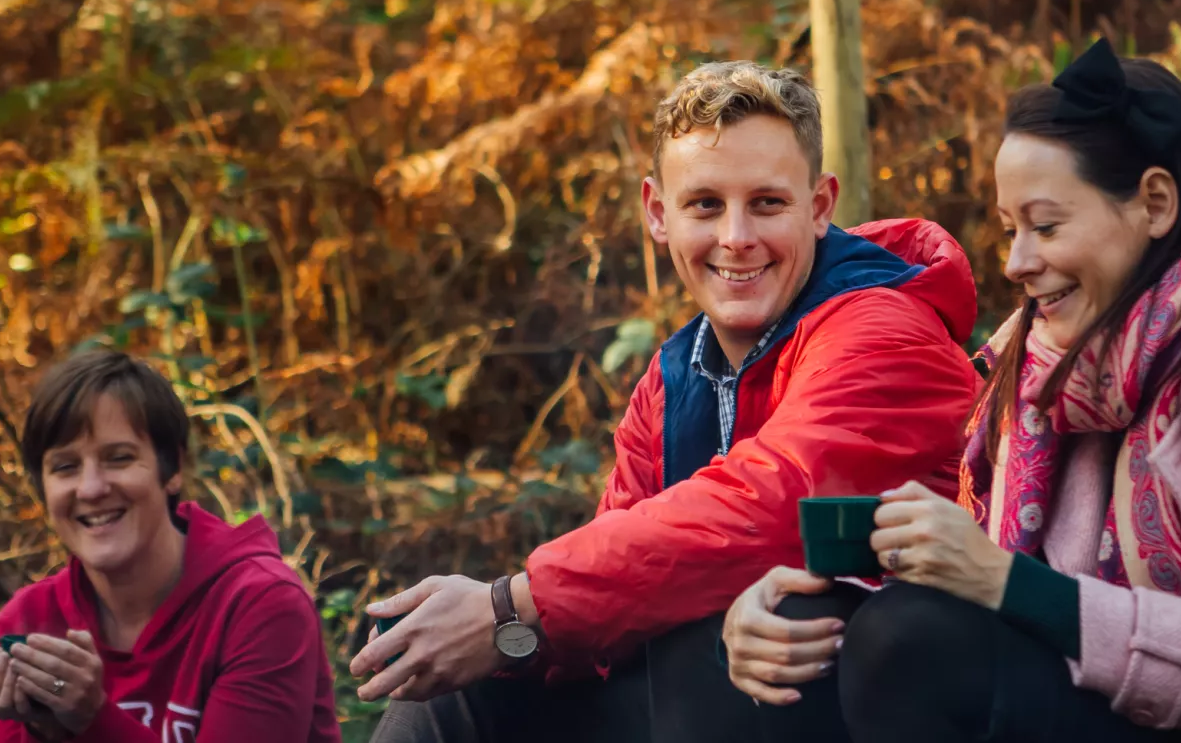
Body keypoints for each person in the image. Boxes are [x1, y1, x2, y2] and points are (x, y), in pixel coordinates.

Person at [359, 61, 983, 743]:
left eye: (768, 203)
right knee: (464, 696)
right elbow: (610, 595)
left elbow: (772, 505)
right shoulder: (673, 375)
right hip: (707, 703)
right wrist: (497, 632)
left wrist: (512, 601)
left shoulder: (886, 330)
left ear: (821, 205)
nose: (736, 237)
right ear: (659, 212)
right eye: (706, 204)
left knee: (712, 636)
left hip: (862, 695)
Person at [723, 38, 1181, 742]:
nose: (1017, 262)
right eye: (1010, 229)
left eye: (1046, 225)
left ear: (1155, 203)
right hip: (1070, 694)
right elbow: (985, 578)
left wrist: (1007, 581)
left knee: (905, 642)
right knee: (798, 640)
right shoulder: (1032, 364)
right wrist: (819, 594)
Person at [0, 349, 341, 742]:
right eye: (65, 467)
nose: (92, 488)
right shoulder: (29, 622)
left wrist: (93, 720)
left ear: (173, 470)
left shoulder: (259, 605)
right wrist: (43, 729)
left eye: (119, 458)